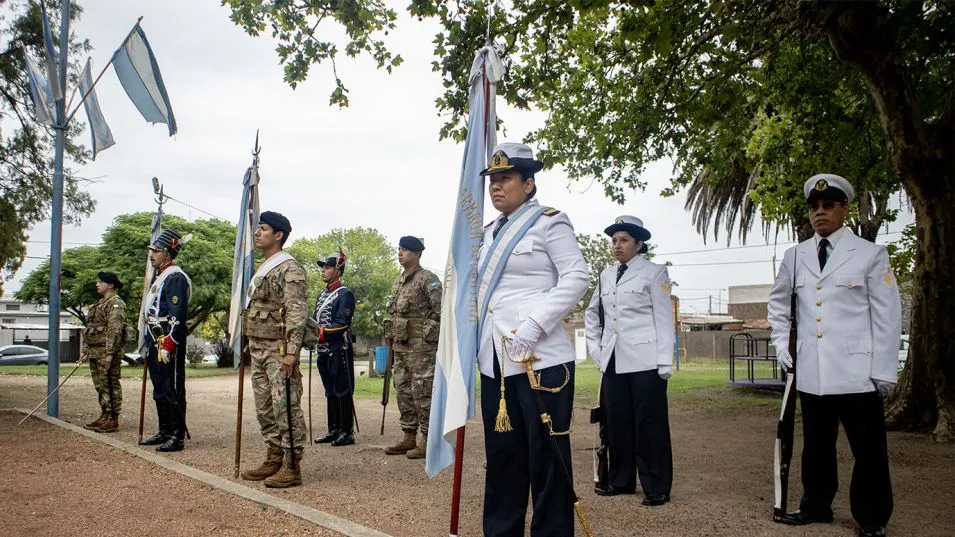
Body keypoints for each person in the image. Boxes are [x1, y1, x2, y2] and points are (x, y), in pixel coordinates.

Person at [768, 174, 901, 537]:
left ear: (845, 209)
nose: (820, 213)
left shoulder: (870, 254)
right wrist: (782, 345)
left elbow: (887, 314)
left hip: (858, 368)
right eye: (814, 207)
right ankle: (816, 505)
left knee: (868, 449)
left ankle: (872, 516)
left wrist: (885, 369)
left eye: (828, 205)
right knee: (816, 446)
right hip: (813, 368)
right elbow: (778, 305)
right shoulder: (795, 256)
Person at [477, 142, 589, 537]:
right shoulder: (487, 234)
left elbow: (577, 277)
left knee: (548, 461)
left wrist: (533, 325)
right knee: (504, 459)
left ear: (529, 183)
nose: (496, 186)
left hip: (540, 358)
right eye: (492, 179)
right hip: (496, 360)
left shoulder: (549, 222)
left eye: (505, 178)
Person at [584, 216, 674, 505]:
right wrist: (597, 351)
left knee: (649, 425)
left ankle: (656, 486)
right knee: (617, 423)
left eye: (623, 240)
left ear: (639, 244)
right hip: (614, 359)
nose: (616, 246)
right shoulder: (606, 275)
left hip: (646, 361)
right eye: (613, 240)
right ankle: (620, 481)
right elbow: (592, 314)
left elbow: (663, 318)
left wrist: (664, 362)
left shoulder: (654, 273)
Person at [239, 211, 309, 488]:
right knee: (265, 407)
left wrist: (292, 351)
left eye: (264, 229)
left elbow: (296, 312)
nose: (258, 233)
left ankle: (292, 466)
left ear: (278, 235)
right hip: (258, 347)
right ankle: (273, 455)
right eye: (258, 228)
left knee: (285, 407)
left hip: (278, 351)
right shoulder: (262, 266)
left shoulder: (288, 268)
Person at [382, 236, 442, 459]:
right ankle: (408, 436)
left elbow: (439, 313)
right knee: (404, 392)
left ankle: (427, 439)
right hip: (400, 347)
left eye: (405, 250)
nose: (400, 253)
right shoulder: (398, 281)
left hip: (421, 350)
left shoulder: (428, 279)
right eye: (399, 249)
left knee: (422, 393)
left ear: (417, 254)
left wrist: (428, 337)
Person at [139, 229, 192, 452]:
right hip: (154, 339)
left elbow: (177, 313)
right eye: (151, 250)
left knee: (173, 388)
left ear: (168, 253)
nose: (152, 254)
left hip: (167, 340)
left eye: (157, 250)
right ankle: (164, 430)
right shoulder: (160, 275)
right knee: (159, 388)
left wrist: (171, 342)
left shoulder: (175, 277)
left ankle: (177, 435)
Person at [311, 250, 358, 447]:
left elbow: (341, 324)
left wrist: (320, 333)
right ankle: (334, 429)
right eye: (323, 267)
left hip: (338, 348)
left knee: (342, 390)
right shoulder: (323, 294)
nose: (323, 270)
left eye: (328, 267)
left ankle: (347, 432)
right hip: (323, 350)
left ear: (338, 270)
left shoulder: (345, 294)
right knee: (330, 391)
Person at [81, 271, 127, 433]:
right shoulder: (100, 303)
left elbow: (114, 330)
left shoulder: (116, 303)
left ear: (110, 285)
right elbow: (90, 329)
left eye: (100, 282)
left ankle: (113, 418)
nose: (97, 284)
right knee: (100, 385)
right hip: (95, 351)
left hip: (107, 353)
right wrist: (85, 350)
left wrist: (109, 354)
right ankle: (104, 414)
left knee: (110, 383)